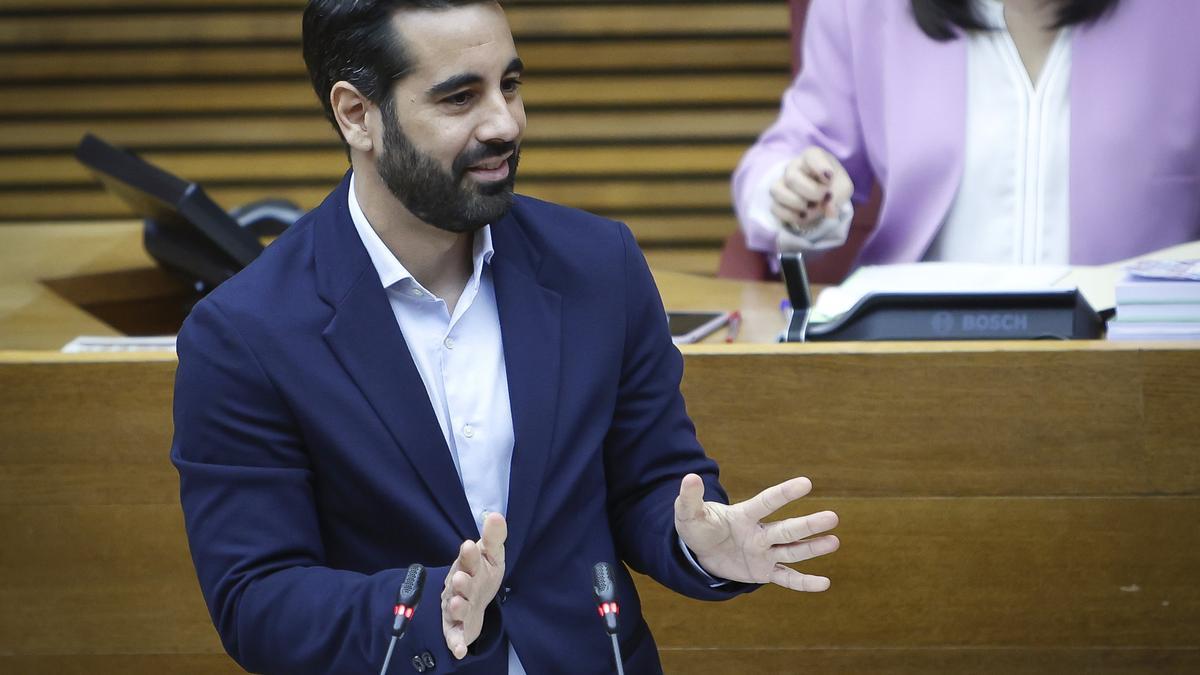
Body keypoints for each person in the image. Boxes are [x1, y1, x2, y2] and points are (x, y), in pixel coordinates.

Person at [171, 1, 840, 673]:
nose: (505, 122)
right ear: (357, 114)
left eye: (511, 85)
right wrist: (427, 605)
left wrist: (696, 542)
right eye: (461, 97)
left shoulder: (600, 264)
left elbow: (647, 481)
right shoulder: (244, 333)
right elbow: (256, 598)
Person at [733, 0, 1200, 273]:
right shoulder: (864, 9)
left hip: (1140, 363)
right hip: (924, 358)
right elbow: (793, 150)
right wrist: (794, 193)